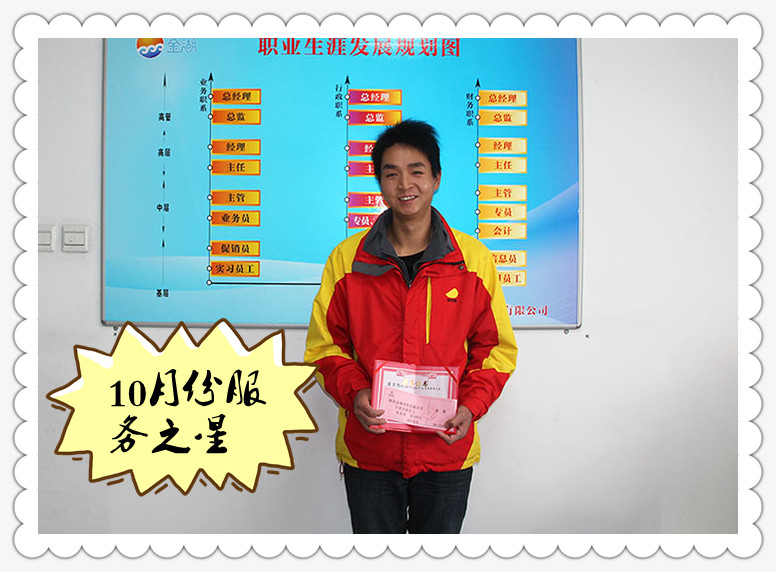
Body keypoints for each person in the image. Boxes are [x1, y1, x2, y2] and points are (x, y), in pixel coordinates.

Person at [305, 119, 517, 534]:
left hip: (446, 450)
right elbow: (325, 346)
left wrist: (469, 406)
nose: (405, 184)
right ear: (379, 184)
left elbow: (496, 350)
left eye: (416, 171)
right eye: (391, 173)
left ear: (436, 178)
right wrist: (356, 393)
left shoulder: (472, 261)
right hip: (371, 450)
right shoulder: (348, 260)